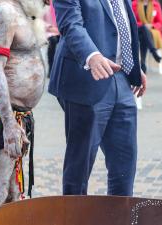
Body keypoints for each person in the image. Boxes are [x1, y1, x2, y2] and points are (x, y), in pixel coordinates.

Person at [49, 0, 146, 196]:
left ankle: (118, 216)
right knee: (80, 165)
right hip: (85, 78)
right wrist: (91, 55)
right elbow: (70, 24)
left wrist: (133, 65)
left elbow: (123, 24)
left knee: (124, 164)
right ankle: (74, 215)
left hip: (122, 79)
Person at [0, 0, 50, 222]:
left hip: (19, 118)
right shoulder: (2, 10)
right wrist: (8, 125)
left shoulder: (21, 10)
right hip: (3, 118)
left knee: (12, 190)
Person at [132, 0, 162, 73]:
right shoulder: (134, 4)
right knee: (144, 29)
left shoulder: (156, 4)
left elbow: (160, 22)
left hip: (151, 32)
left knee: (144, 35)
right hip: (137, 31)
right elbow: (132, 20)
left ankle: (142, 63)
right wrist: (143, 25)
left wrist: (152, 25)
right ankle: (153, 51)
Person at [43, 0, 59, 77]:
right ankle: (51, 68)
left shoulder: (60, 3)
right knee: (52, 41)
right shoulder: (44, 5)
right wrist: (48, 27)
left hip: (61, 30)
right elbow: (35, 18)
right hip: (49, 31)